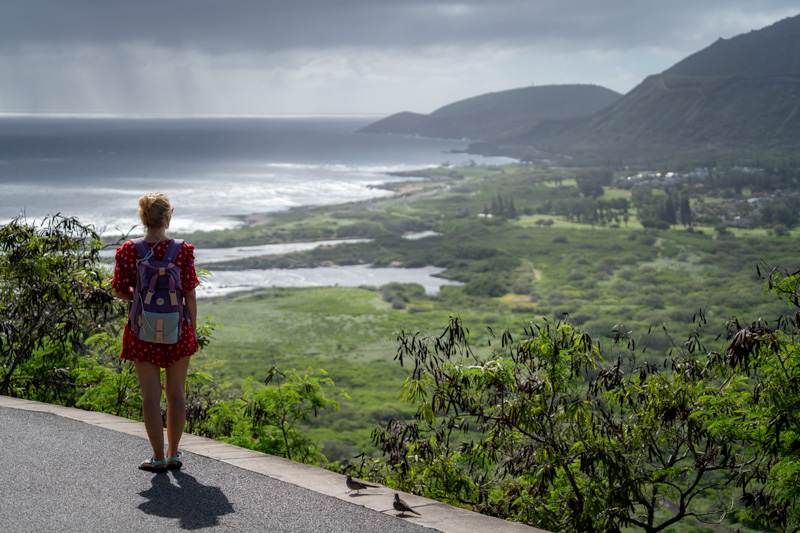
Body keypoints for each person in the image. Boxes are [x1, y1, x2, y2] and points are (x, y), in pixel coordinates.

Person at [111, 191, 200, 472]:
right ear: (167, 218)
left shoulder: (129, 250)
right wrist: (192, 329)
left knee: (150, 396)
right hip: (178, 329)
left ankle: (158, 457)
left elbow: (118, 289)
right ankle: (174, 454)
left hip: (142, 329)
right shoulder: (182, 250)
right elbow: (190, 294)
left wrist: (139, 299)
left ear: (143, 218)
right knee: (177, 394)